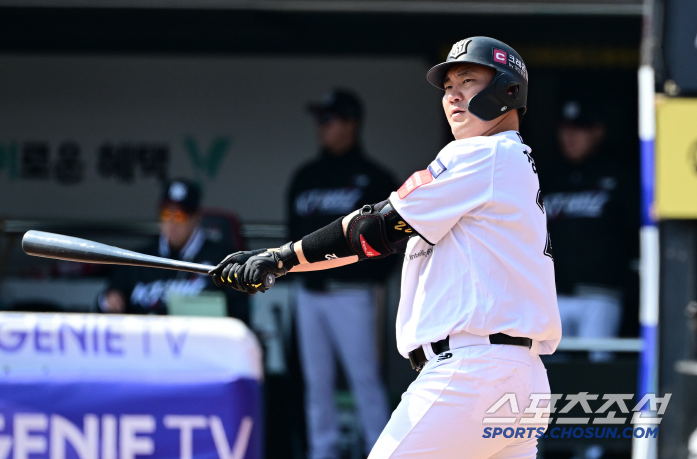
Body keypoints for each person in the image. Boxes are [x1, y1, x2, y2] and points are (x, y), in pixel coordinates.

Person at [212, 37, 561, 459]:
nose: (452, 95)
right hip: (518, 376)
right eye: (448, 85)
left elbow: (376, 228)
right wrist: (279, 265)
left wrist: (279, 258)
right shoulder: (507, 161)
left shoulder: (480, 154)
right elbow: (383, 237)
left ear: (508, 91)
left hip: (473, 372)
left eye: (467, 80)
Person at [285, 88, 397, 459]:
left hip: (353, 293)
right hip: (309, 292)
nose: (321, 127)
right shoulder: (304, 176)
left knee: (365, 379)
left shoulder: (375, 178)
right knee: (316, 383)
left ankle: (380, 451)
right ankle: (323, 451)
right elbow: (292, 236)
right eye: (319, 120)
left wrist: (374, 281)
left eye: (328, 119)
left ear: (351, 123)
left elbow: (394, 241)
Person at [541, 101, 639, 361]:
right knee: (551, 372)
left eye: (579, 130)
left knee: (599, 365)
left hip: (601, 294)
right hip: (554, 295)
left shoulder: (618, 178)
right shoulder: (547, 178)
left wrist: (625, 278)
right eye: (564, 130)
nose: (569, 137)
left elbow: (637, 233)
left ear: (597, 132)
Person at [99, 178, 250, 324]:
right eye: (166, 214)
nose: (171, 223)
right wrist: (108, 301)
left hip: (201, 345)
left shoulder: (224, 261)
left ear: (195, 218)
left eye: (179, 215)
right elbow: (104, 303)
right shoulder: (137, 259)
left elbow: (240, 319)